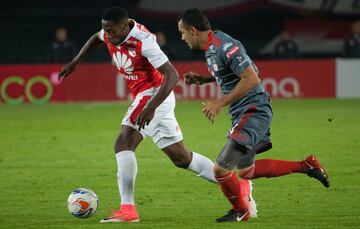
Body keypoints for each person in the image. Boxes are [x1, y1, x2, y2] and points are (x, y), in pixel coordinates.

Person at [58, 7, 255, 223]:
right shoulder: (110, 32)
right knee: (181, 158)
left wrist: (150, 107)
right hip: (148, 98)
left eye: (112, 31)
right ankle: (239, 186)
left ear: (125, 27)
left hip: (154, 94)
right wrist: (76, 61)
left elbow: (172, 75)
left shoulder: (144, 41)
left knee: (123, 142)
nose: (109, 36)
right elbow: (97, 38)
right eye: (106, 30)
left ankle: (128, 210)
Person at [177, 8, 330, 223]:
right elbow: (231, 72)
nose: (182, 38)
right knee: (247, 171)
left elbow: (251, 78)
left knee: (220, 168)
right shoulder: (212, 47)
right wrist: (202, 80)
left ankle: (241, 211)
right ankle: (307, 165)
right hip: (242, 111)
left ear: (193, 30)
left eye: (182, 32)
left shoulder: (225, 46)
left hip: (253, 109)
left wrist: (219, 103)